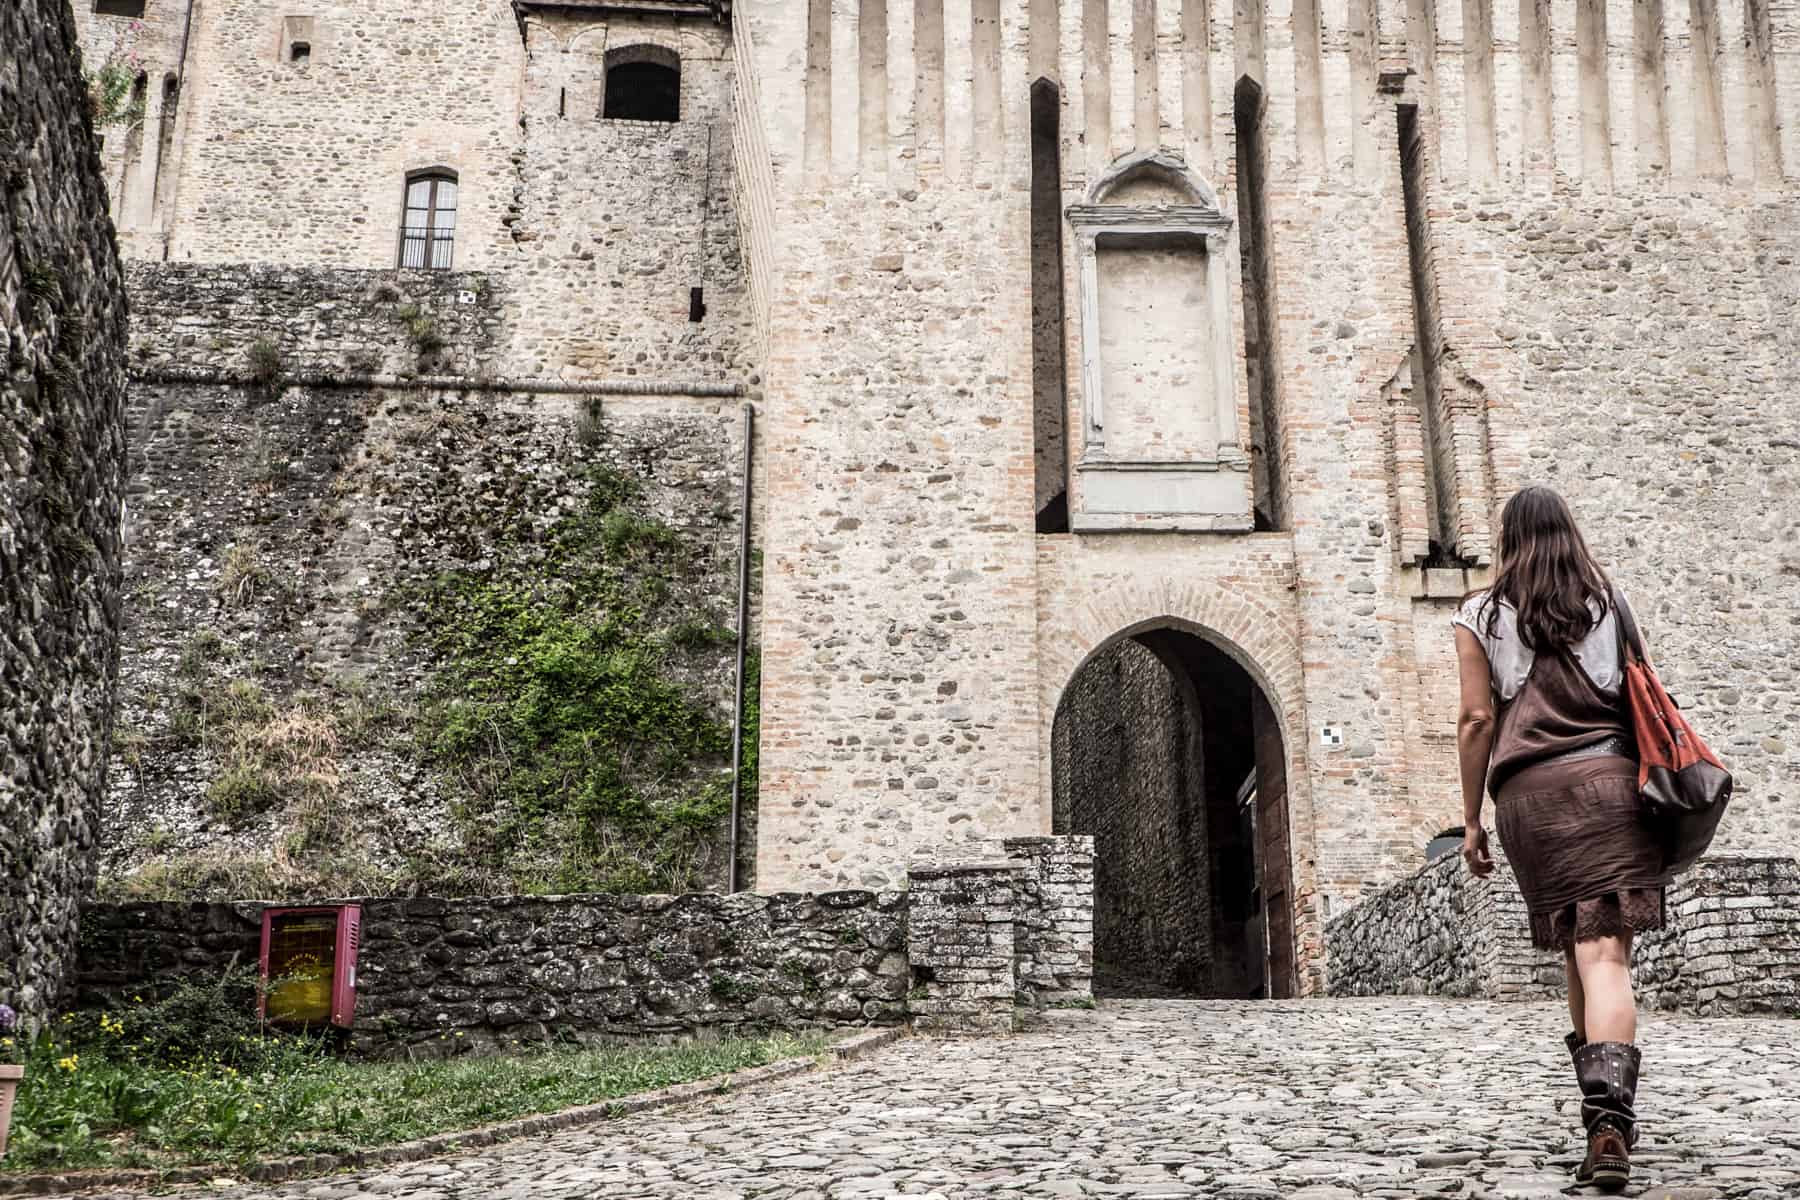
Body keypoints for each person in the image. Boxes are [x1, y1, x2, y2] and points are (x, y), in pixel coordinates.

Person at [1453, 486, 1666, 1194]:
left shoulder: (1479, 613)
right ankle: (1611, 1121)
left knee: (1578, 953)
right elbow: (1643, 689)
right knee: (1607, 955)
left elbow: (1476, 720)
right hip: (1610, 785)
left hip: (1530, 801)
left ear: (1507, 538)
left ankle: (1600, 1121)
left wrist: (1471, 817)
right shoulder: (1608, 602)